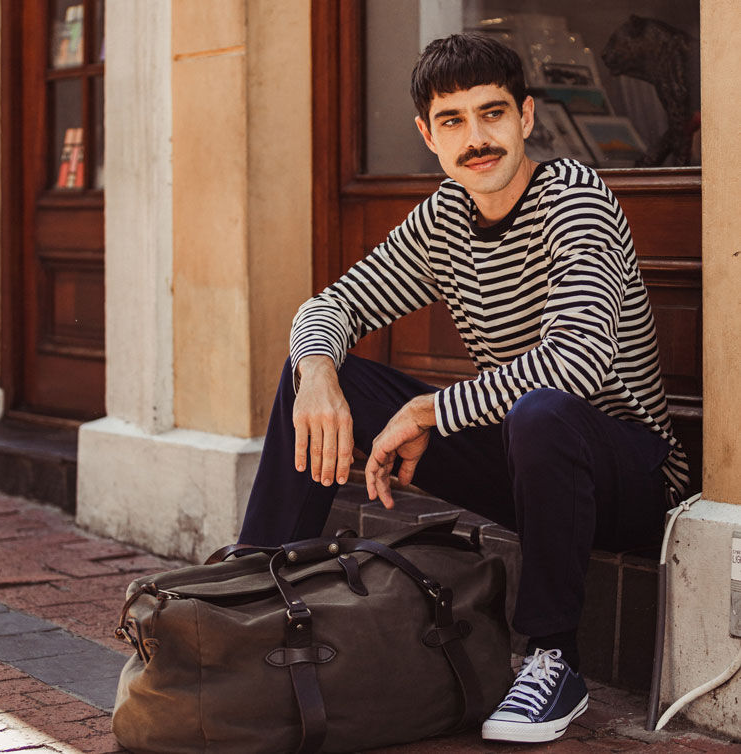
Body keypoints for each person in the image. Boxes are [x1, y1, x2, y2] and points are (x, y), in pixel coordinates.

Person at [238, 33, 689, 744]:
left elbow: (576, 362)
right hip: (528, 462)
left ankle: (553, 660)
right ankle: (251, 601)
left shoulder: (577, 201)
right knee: (324, 374)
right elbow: (332, 306)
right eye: (453, 121)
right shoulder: (445, 217)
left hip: (631, 479)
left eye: (492, 114)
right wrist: (316, 372)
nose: (476, 139)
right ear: (427, 134)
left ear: (527, 117)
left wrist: (429, 410)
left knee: (543, 411)